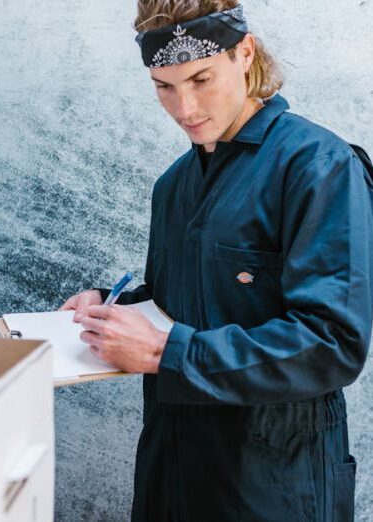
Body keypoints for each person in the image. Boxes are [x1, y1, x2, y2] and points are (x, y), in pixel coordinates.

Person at [60, 1, 373, 520]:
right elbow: (184, 303)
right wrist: (111, 307)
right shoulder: (173, 185)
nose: (185, 107)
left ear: (244, 54)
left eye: (201, 78)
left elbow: (332, 344)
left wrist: (167, 355)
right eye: (165, 86)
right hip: (170, 475)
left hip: (272, 485)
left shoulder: (320, 167)